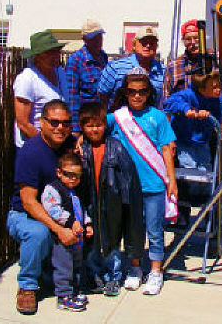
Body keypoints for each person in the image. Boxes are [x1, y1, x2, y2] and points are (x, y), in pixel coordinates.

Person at [107, 67, 177, 295]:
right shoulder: (117, 117)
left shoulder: (158, 117)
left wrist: (172, 180)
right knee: (132, 230)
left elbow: (167, 149)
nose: (137, 95)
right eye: (132, 91)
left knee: (155, 230)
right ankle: (135, 267)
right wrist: (78, 139)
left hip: (154, 184)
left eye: (142, 91)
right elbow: (94, 127)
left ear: (149, 92)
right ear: (125, 92)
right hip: (127, 185)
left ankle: (156, 271)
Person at [7, 100, 77, 315]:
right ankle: (27, 286)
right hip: (24, 215)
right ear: (41, 122)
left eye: (66, 123)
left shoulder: (69, 144)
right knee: (39, 234)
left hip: (57, 211)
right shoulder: (31, 153)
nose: (60, 128)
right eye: (54, 122)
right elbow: (28, 201)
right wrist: (59, 229)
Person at [79, 102, 145, 297]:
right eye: (89, 125)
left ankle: (114, 276)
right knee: (92, 244)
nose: (94, 129)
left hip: (112, 205)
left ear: (105, 125)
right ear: (82, 127)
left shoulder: (115, 146)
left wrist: (126, 206)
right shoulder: (81, 149)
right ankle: (95, 275)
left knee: (112, 243)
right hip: (90, 204)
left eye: (98, 124)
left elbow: (128, 177)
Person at [163, 70, 222, 226]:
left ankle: (205, 205)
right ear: (201, 88)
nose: (218, 90)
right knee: (189, 169)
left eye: (219, 86)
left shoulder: (218, 100)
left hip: (202, 141)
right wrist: (188, 110)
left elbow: (218, 116)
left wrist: (212, 122)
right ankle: (187, 202)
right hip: (185, 140)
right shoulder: (188, 94)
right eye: (214, 87)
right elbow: (169, 102)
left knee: (205, 171)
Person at [41, 152, 93, 312]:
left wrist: (87, 223)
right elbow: (52, 209)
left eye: (77, 175)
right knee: (64, 266)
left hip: (77, 238)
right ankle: (63, 296)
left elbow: (81, 209)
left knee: (77, 265)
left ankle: (75, 290)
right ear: (59, 172)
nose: (73, 179)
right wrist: (70, 221)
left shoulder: (75, 191)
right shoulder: (53, 189)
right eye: (68, 174)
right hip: (62, 239)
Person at [13, 30, 69, 149]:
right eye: (49, 53)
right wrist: (45, 146)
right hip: (33, 146)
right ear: (37, 56)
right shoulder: (27, 78)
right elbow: (23, 124)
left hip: (57, 145)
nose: (55, 56)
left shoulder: (61, 74)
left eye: (56, 51)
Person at [97, 26, 164, 111]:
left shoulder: (164, 71)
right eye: (143, 42)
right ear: (134, 45)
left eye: (152, 43)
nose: (148, 45)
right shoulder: (115, 67)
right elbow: (102, 95)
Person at [65, 20, 108, 137]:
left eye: (99, 37)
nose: (97, 41)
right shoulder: (75, 60)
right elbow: (72, 96)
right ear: (84, 39)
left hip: (101, 121)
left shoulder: (104, 58)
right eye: (93, 38)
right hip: (85, 124)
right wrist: (75, 129)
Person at [163, 19, 200, 99]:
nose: (193, 42)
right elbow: (166, 98)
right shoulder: (173, 66)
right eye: (188, 39)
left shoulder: (215, 60)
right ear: (183, 41)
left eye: (196, 38)